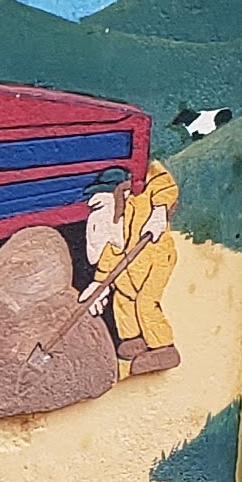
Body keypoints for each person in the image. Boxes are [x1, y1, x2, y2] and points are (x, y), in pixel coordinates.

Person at [81, 160, 183, 377]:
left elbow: (162, 180)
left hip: (155, 260)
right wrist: (99, 283)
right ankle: (134, 340)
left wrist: (159, 211)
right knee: (123, 301)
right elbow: (111, 255)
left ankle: (163, 347)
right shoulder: (115, 223)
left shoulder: (143, 200)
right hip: (129, 269)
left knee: (145, 303)